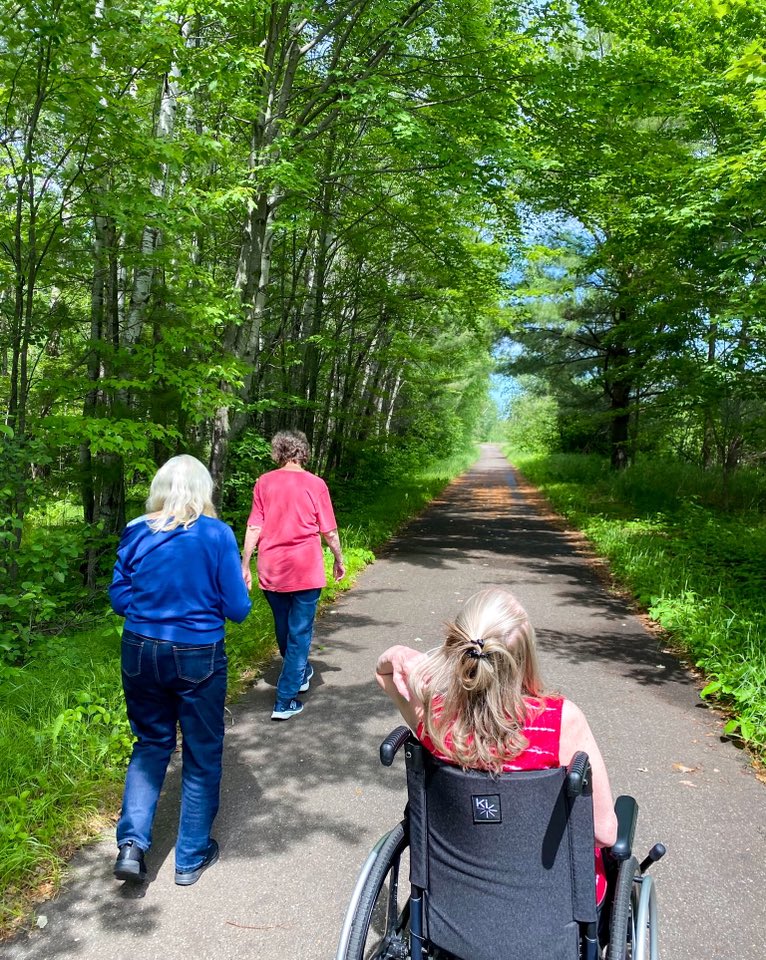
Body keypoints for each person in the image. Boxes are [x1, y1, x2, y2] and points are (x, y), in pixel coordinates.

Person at [375, 587, 617, 901]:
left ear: (456, 651)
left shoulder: (436, 720)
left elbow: (385, 675)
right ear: (526, 657)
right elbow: (603, 833)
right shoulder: (562, 722)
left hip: (457, 901)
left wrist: (394, 653)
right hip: (557, 903)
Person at [109, 455, 251, 885]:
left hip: (139, 649)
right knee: (202, 751)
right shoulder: (217, 534)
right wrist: (236, 588)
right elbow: (238, 611)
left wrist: (155, 610)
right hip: (197, 653)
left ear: (160, 489)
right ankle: (189, 858)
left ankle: (131, 846)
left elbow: (119, 600)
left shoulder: (137, 530)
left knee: (150, 742)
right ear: (203, 490)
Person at [241, 429, 345, 721]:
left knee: (284, 627)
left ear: (279, 453)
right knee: (299, 633)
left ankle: (299, 673)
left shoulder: (264, 482)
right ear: (303, 453)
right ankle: (284, 700)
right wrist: (339, 558)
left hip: (272, 568)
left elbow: (253, 527)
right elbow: (329, 531)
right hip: (305, 569)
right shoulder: (316, 484)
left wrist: (245, 563)